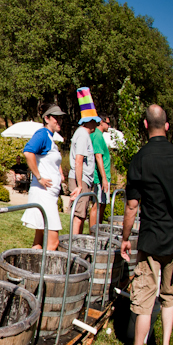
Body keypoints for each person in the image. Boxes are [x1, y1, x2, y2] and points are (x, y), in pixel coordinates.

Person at [114, 106, 173, 345]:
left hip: (150, 240)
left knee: (144, 300)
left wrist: (125, 237)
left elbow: (132, 206)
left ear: (146, 125)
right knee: (168, 296)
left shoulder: (140, 158)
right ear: (167, 126)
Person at [21, 104, 66, 250]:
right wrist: (39, 177)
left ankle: (31, 270)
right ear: (46, 118)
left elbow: (47, 159)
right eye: (55, 118)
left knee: (38, 241)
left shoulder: (50, 138)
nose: (59, 121)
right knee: (53, 242)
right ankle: (45, 272)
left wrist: (59, 172)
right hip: (43, 194)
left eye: (61, 118)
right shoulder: (42, 134)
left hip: (48, 194)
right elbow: (28, 152)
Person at [68, 87, 98, 236]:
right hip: (81, 180)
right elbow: (79, 160)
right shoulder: (82, 135)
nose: (96, 125)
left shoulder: (84, 135)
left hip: (84, 180)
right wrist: (80, 185)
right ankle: (73, 246)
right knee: (78, 215)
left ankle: (76, 243)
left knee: (81, 215)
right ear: (88, 121)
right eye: (95, 121)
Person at [89, 114, 112, 228]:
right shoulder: (97, 136)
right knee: (97, 205)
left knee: (102, 205)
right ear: (101, 122)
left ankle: (98, 230)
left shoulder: (99, 135)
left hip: (104, 177)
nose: (109, 126)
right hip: (100, 178)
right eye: (107, 123)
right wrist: (104, 178)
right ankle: (94, 233)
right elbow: (98, 156)